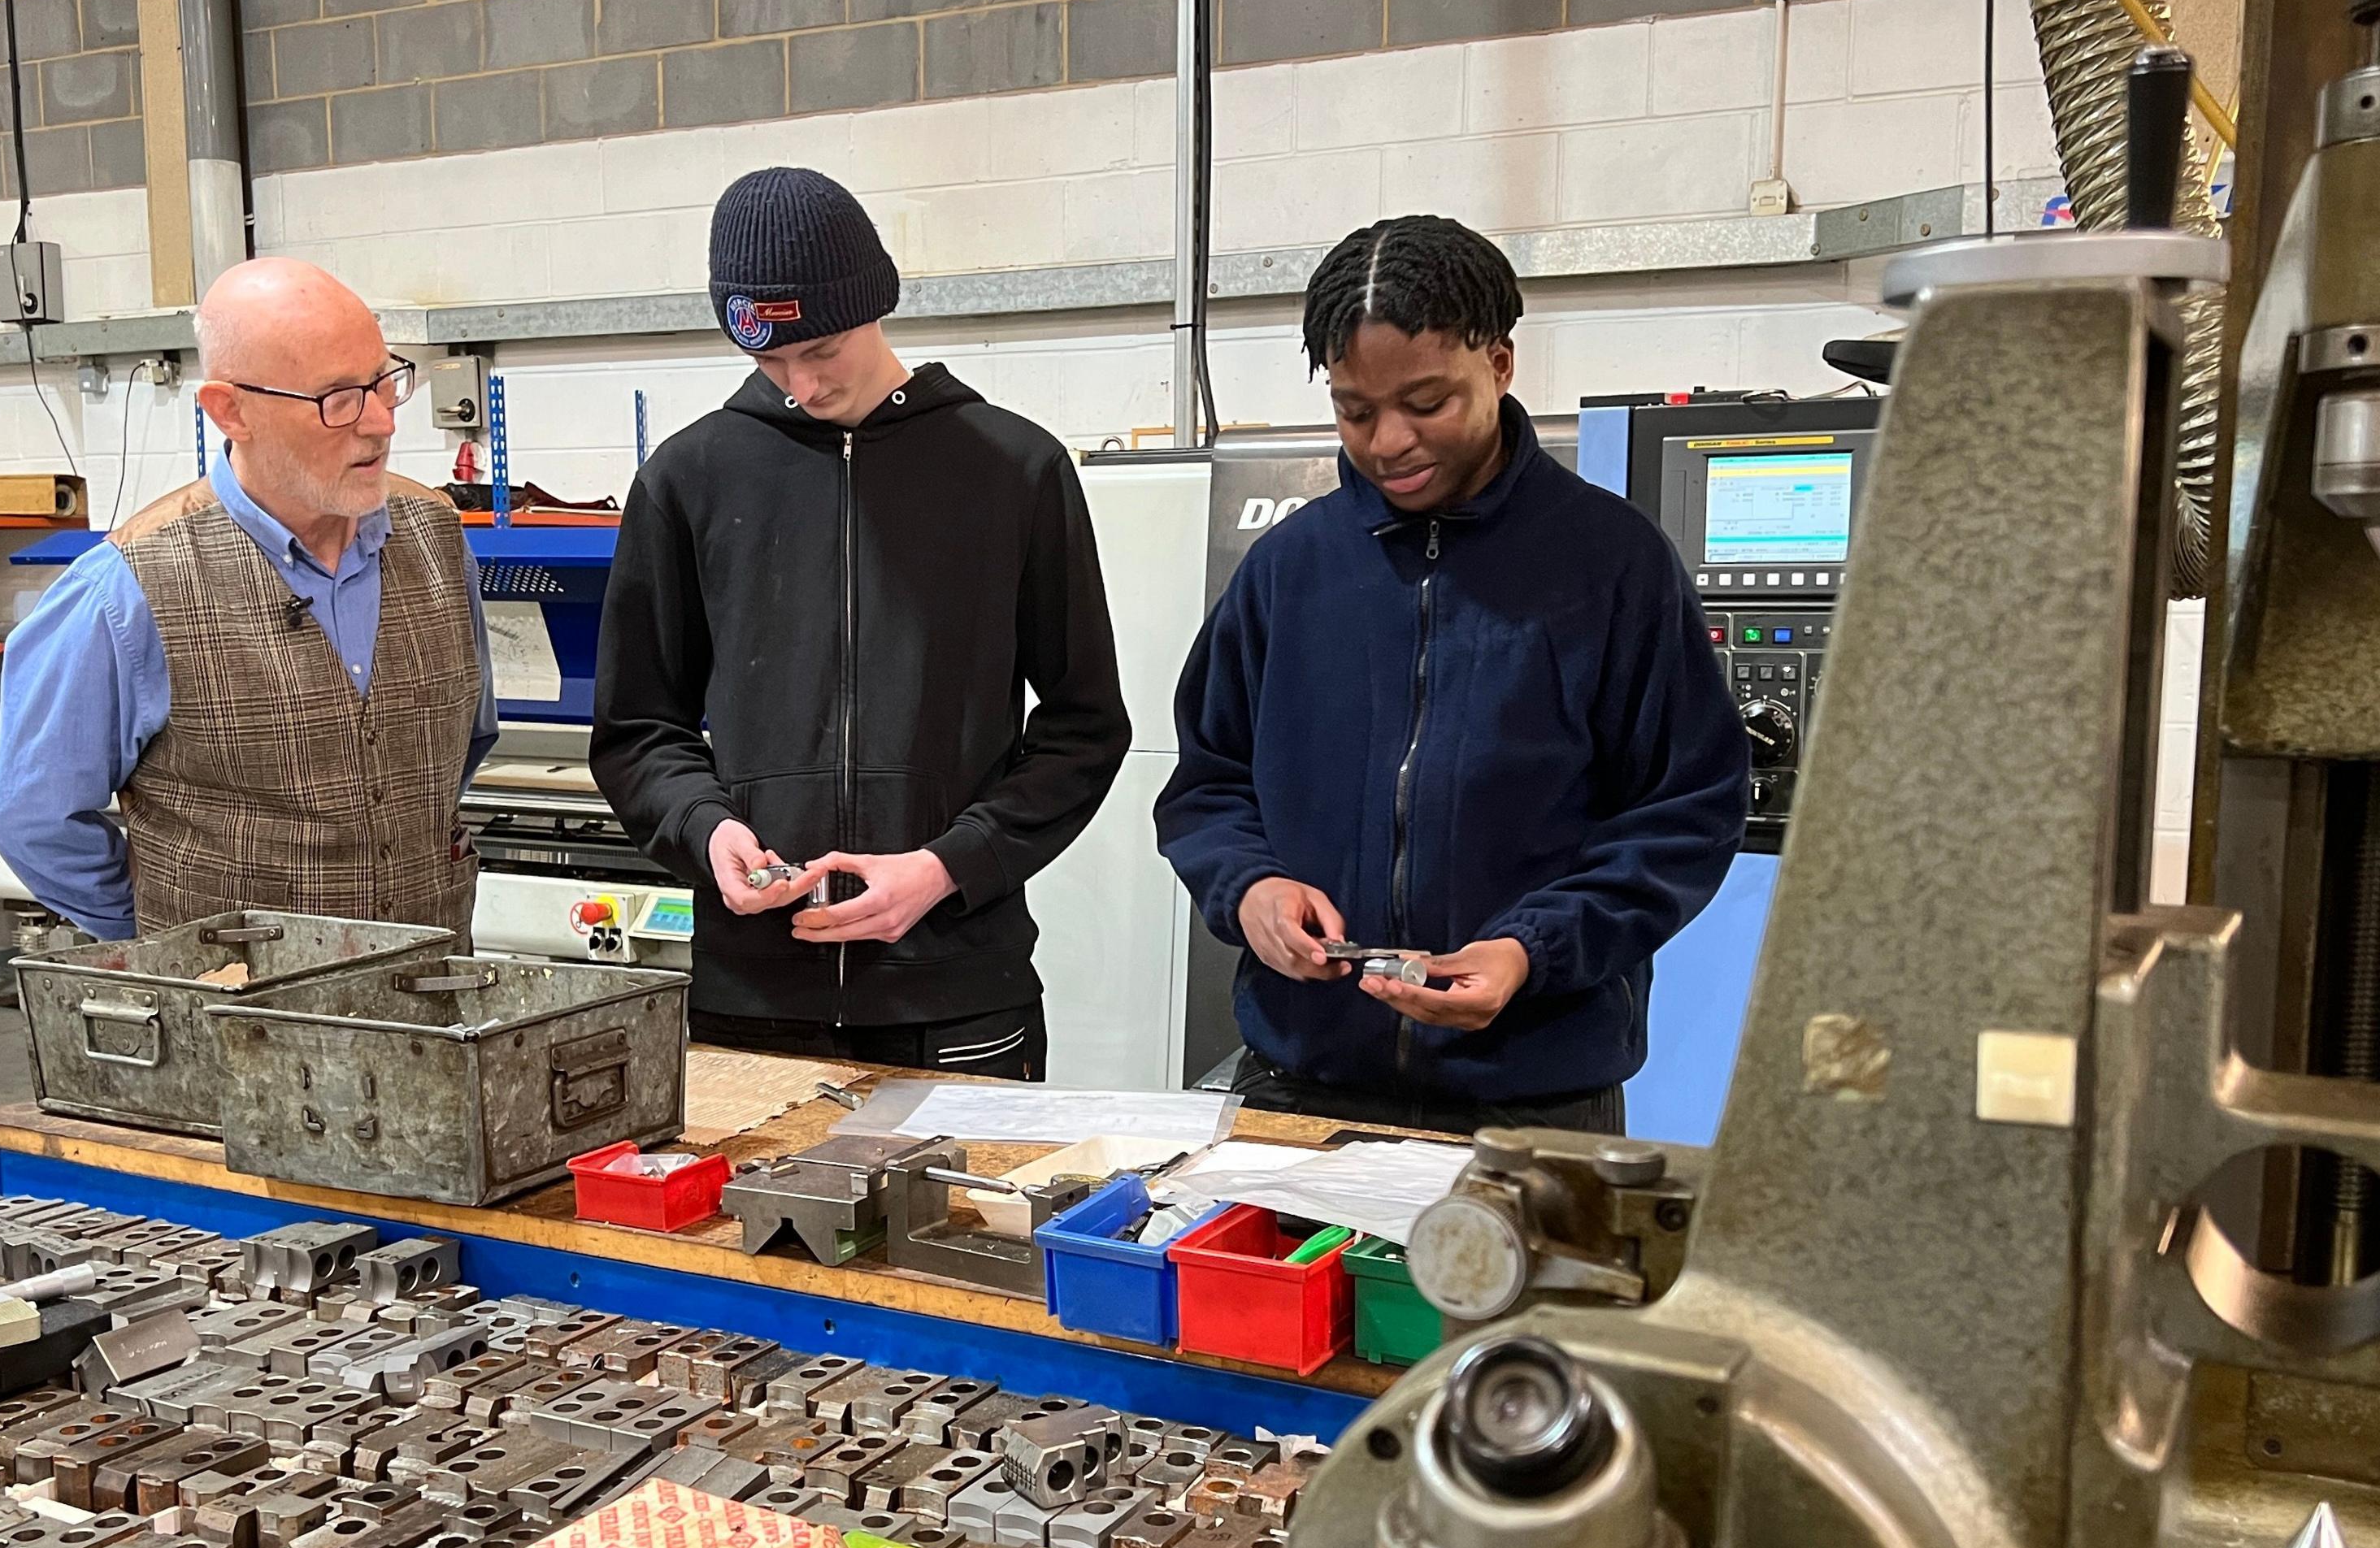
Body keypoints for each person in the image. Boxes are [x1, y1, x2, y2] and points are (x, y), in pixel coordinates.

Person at [1154, 215, 1747, 1135]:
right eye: (1356, 411)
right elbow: (1208, 785)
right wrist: (1250, 890)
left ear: (1500, 365)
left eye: (1427, 403)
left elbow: (1684, 814)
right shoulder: (1289, 571)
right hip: (1301, 1093)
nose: (1389, 441)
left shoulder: (1612, 567)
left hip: (1535, 1104)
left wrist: (1530, 949)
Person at [593, 167, 1129, 1080]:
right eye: (770, 364)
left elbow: (1085, 727)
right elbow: (641, 730)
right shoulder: (688, 480)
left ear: (875, 305)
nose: (801, 384)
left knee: (958, 1228)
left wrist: (948, 866)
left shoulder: (1013, 469)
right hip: (751, 1001)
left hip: (956, 996)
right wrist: (706, 828)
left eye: (824, 350)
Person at [0, 258, 493, 942]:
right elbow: (37, 820)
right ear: (232, 411)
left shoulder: (436, 540)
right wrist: (170, 940)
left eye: (384, 381)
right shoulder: (126, 589)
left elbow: (460, 744)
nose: (381, 422)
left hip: (429, 1001)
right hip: (234, 1022)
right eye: (339, 397)